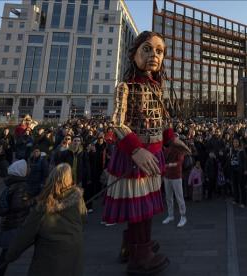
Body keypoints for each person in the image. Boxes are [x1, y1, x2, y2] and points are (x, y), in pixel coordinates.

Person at [101, 31, 170, 274]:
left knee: (146, 207)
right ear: (135, 54)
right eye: (148, 49)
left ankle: (134, 245)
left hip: (153, 154)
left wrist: (174, 139)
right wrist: (136, 150)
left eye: (159, 51)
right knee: (139, 209)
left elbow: (163, 120)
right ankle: (140, 255)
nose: (154, 55)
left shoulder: (157, 88)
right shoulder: (125, 87)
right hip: (135, 155)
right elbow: (117, 123)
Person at [5, 163, 87, 276]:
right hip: (74, 248)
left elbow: (26, 233)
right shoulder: (77, 198)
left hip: (50, 256)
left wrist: (10, 255)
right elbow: (83, 219)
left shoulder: (43, 206)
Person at [0, 159, 32, 276]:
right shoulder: (21, 185)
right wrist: (33, 201)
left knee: (7, 251)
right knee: (8, 252)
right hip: (15, 222)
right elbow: (17, 205)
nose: (29, 170)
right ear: (22, 171)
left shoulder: (13, 183)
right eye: (27, 168)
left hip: (10, 222)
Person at [162, 128, 191, 227]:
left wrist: (169, 165)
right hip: (167, 175)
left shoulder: (179, 148)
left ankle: (183, 216)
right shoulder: (167, 147)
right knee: (168, 197)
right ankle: (170, 215)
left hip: (176, 176)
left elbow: (180, 161)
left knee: (179, 197)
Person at [229, 136, 247, 208]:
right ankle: (236, 199)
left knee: (242, 186)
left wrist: (245, 170)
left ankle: (244, 202)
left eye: (236, 142)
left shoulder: (241, 150)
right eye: (234, 142)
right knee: (235, 185)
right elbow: (230, 159)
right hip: (233, 170)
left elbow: (245, 160)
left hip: (240, 170)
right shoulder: (231, 150)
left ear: (239, 143)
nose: (235, 143)